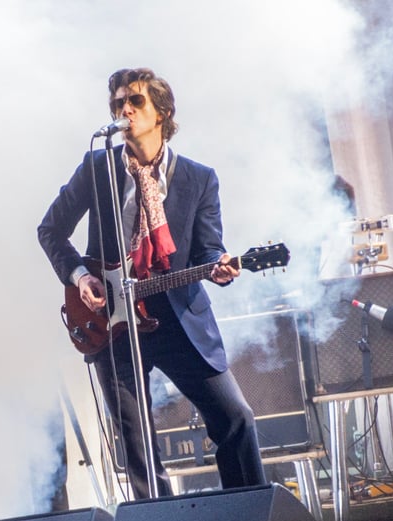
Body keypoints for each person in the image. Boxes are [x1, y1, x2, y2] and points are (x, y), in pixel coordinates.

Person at [37, 67, 266, 499]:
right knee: (138, 446)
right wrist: (82, 276)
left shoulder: (199, 178)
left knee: (236, 418)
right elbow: (50, 229)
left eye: (135, 101)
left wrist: (219, 267)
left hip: (178, 317)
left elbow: (207, 252)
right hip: (113, 322)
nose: (124, 109)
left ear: (162, 111)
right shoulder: (97, 166)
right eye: (117, 103)